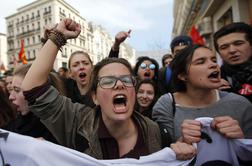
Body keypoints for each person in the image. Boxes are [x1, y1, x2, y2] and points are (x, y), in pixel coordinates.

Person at [21, 18, 195, 160]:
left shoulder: (156, 133)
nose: (119, 85)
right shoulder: (77, 122)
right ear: (95, 97)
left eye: (126, 80)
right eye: (108, 81)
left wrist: (180, 149)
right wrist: (57, 37)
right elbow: (33, 89)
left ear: (134, 90)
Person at [152, 44, 252, 143]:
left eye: (214, 60)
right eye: (201, 62)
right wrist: (182, 143)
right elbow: (161, 150)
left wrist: (242, 142)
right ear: (183, 75)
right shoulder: (166, 104)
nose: (213, 65)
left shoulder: (241, 104)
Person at [6, 64, 57, 143]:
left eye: (17, 90)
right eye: (11, 89)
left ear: (36, 92)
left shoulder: (55, 133)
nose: (11, 97)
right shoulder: (14, 122)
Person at [213, 22, 252, 103]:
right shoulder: (214, 81)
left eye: (238, 43)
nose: (232, 50)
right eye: (224, 47)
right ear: (219, 52)